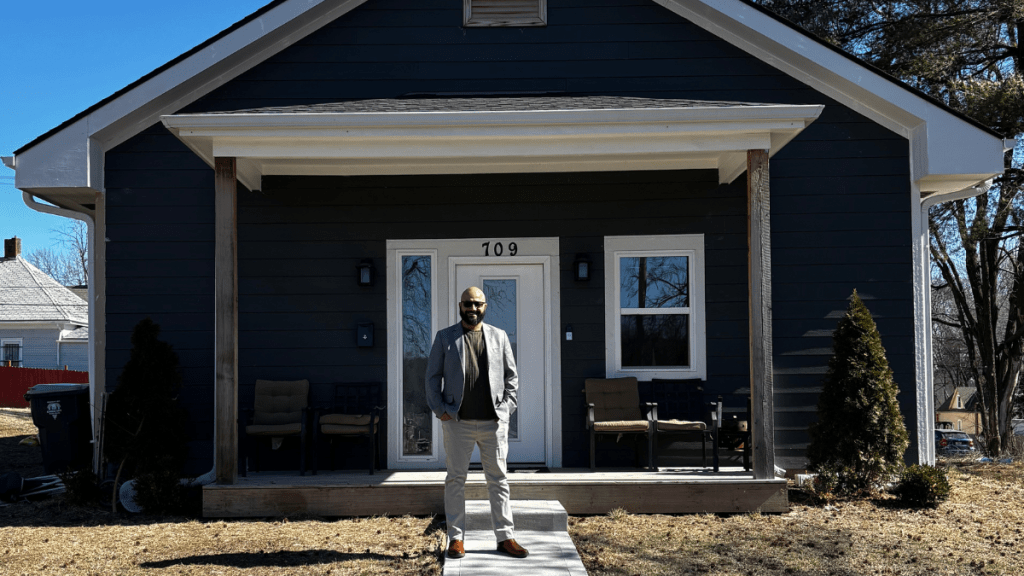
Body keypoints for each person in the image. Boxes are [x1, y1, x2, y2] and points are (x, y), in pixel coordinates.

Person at [424, 286, 529, 559]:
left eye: (478, 304)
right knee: (456, 480)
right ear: (460, 305)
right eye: (468, 303)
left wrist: (506, 410)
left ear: (485, 306)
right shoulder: (445, 337)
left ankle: (505, 537)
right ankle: (456, 539)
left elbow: (512, 380)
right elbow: (432, 378)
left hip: (493, 423)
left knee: (498, 480)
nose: (473, 308)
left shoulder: (500, 336)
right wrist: (441, 410)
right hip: (457, 422)